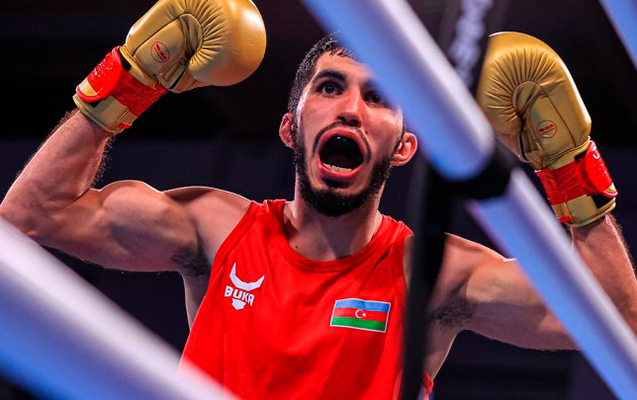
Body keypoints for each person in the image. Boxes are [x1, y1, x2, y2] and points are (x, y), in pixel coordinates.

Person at [0, 0, 635, 398]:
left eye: (378, 96)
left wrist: (567, 165)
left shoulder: (432, 272)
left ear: (405, 147)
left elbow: (618, 322)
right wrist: (131, 78)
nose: (352, 109)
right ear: (290, 128)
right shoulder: (216, 229)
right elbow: (33, 214)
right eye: (330, 87)